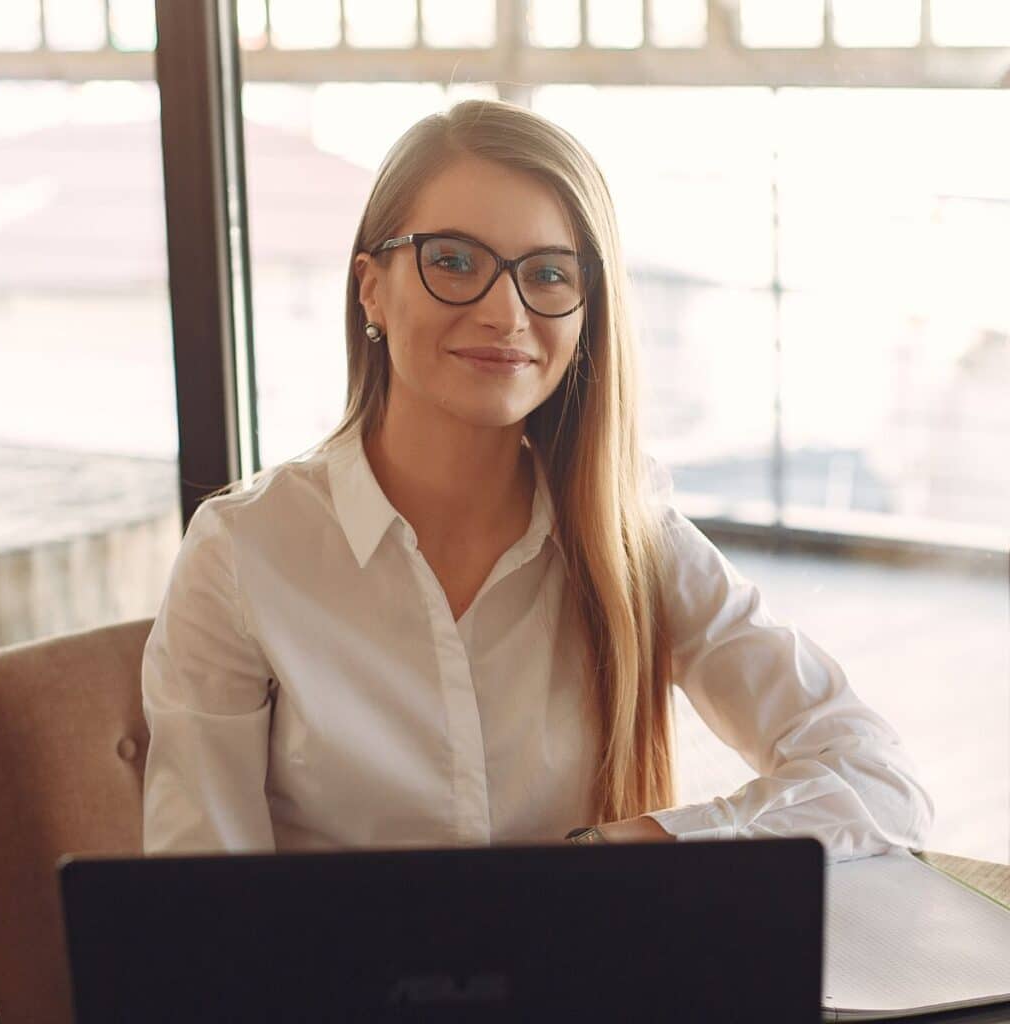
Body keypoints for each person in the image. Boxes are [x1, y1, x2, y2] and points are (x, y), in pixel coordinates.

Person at [141, 99, 933, 861]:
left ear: (588, 313)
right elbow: (196, 911)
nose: (505, 313)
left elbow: (877, 779)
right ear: (371, 287)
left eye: (548, 275)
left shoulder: (630, 541)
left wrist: (638, 845)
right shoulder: (243, 553)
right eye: (453, 261)